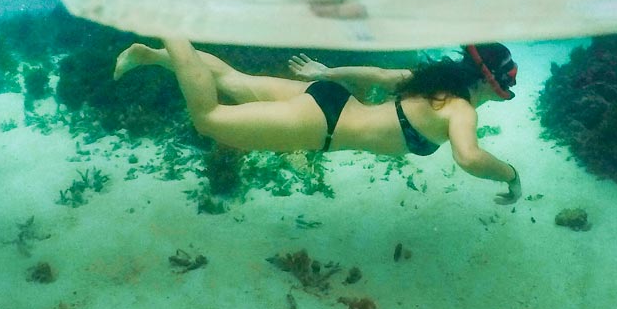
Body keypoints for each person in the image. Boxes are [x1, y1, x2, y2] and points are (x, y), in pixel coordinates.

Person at [114, 39, 522, 204]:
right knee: (208, 118)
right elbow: (468, 158)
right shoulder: (461, 109)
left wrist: (326, 74)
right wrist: (511, 175)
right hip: (320, 125)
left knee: (231, 80)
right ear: (488, 84)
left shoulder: (433, 83)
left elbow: (377, 76)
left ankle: (147, 55)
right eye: (498, 89)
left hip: (332, 100)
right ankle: (168, 26)